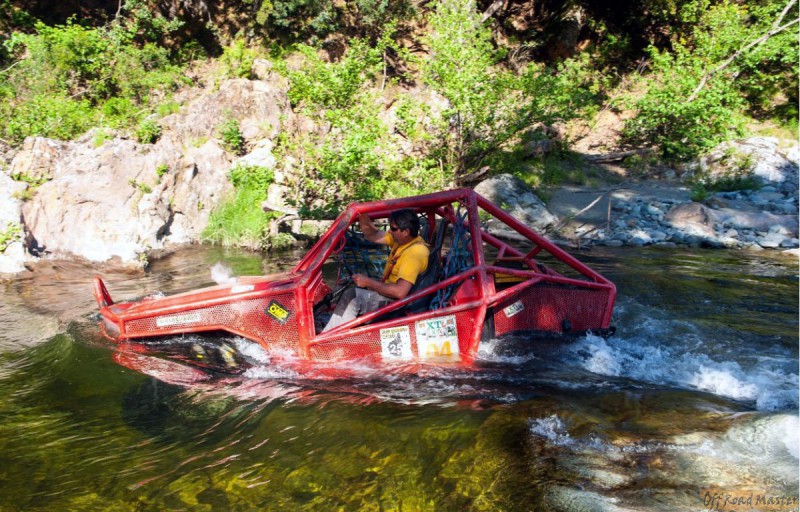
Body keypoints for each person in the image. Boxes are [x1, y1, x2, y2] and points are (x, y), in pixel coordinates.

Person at [322, 208, 430, 332]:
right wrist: (361, 211)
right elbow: (371, 234)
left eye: (393, 229)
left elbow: (400, 292)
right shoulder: (402, 241)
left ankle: (328, 338)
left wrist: (369, 283)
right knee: (349, 285)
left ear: (406, 231)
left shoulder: (414, 252)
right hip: (390, 294)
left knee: (351, 296)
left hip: (396, 304)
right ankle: (338, 325)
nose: (390, 231)